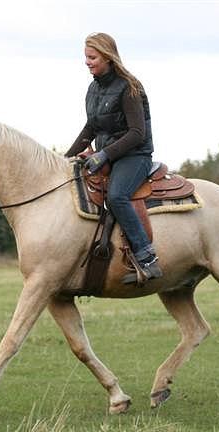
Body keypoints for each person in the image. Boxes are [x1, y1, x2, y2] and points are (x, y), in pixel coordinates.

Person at [65, 32, 162, 284]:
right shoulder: (94, 88)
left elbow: (137, 133)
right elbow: (91, 128)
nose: (87, 62)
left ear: (107, 57)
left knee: (117, 196)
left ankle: (146, 257)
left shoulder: (130, 87)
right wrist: (66, 157)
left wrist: (104, 154)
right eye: (86, 57)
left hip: (135, 156)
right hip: (107, 156)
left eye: (92, 57)